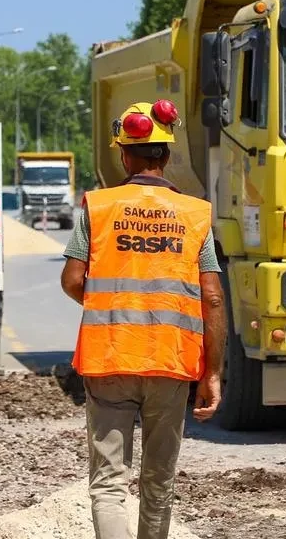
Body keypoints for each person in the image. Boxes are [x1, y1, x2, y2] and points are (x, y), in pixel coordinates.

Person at [59, 100, 225, 539]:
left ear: (123, 155)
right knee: (158, 482)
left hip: (110, 359)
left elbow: (73, 279)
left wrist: (110, 307)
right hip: (171, 363)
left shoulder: (100, 207)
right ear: (167, 156)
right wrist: (213, 372)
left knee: (109, 483)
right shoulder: (194, 214)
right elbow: (212, 297)